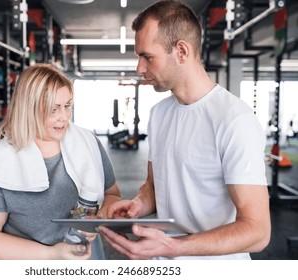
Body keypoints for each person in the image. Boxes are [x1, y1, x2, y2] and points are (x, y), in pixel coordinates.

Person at [98, 0, 271, 260]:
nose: (139, 68)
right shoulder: (159, 114)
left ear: (181, 51)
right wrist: (138, 205)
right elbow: (155, 186)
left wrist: (175, 247)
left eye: (147, 56)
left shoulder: (234, 120)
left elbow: (258, 231)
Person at [0, 63, 121, 260]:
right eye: (53, 109)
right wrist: (51, 254)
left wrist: (101, 216)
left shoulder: (88, 143)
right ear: (29, 109)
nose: (64, 117)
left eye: (67, 106)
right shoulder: (0, 162)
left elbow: (111, 194)